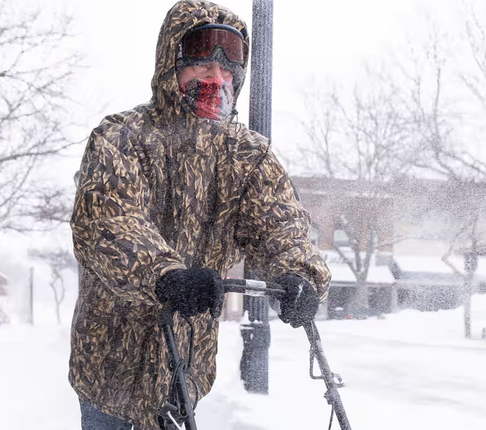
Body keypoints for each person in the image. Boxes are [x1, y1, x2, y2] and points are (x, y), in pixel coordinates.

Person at [69, 1, 331, 429]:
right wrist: (165, 274)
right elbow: (108, 222)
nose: (216, 78)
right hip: (110, 364)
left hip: (185, 365)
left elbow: (280, 224)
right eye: (202, 64)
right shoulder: (120, 138)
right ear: (171, 63)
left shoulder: (248, 156)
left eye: (228, 69)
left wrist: (299, 273)